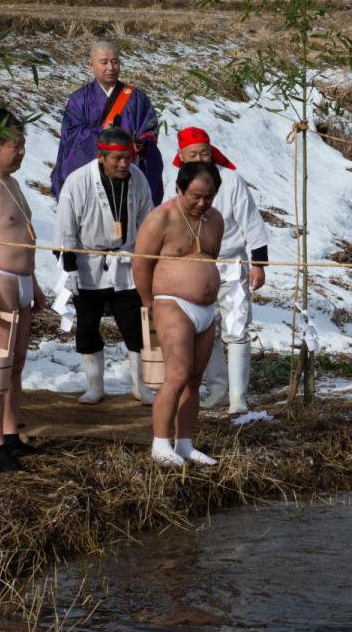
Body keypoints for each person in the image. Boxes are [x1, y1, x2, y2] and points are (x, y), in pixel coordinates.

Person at [132, 162, 225, 467]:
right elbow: (141, 266)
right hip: (172, 303)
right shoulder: (161, 218)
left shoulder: (215, 220)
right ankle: (160, 444)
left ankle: (184, 443)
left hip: (206, 310)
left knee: (195, 380)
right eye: (195, 196)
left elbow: (210, 258)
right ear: (179, 189)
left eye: (208, 197)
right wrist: (150, 304)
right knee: (176, 376)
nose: (201, 203)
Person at [54, 127, 155, 405]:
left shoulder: (138, 178)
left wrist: (148, 263)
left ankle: (140, 386)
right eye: (117, 159)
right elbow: (65, 228)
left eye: (128, 158)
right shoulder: (78, 181)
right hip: (88, 263)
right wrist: (69, 268)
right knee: (87, 327)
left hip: (125, 261)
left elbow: (148, 222)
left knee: (134, 326)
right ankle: (95, 385)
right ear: (101, 155)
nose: (124, 164)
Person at [173, 126, 269, 415]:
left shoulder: (231, 180)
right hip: (192, 265)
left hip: (230, 263)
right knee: (205, 329)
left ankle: (238, 396)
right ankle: (217, 388)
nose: (200, 158)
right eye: (193, 154)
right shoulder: (175, 182)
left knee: (236, 328)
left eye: (204, 152)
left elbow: (251, 222)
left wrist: (259, 263)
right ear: (181, 155)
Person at [0, 105, 45, 472]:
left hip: (21, 283)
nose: (21, 151)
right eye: (14, 144)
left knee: (17, 365)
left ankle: (10, 434)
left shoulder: (13, 182)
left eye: (23, 144)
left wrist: (34, 282)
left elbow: (24, 239)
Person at [51, 40, 164, 206]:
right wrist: (101, 132)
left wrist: (143, 144)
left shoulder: (137, 97)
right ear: (91, 65)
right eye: (104, 62)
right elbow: (71, 136)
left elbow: (150, 129)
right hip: (92, 178)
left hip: (128, 173)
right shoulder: (79, 99)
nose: (110, 68)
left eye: (115, 61)